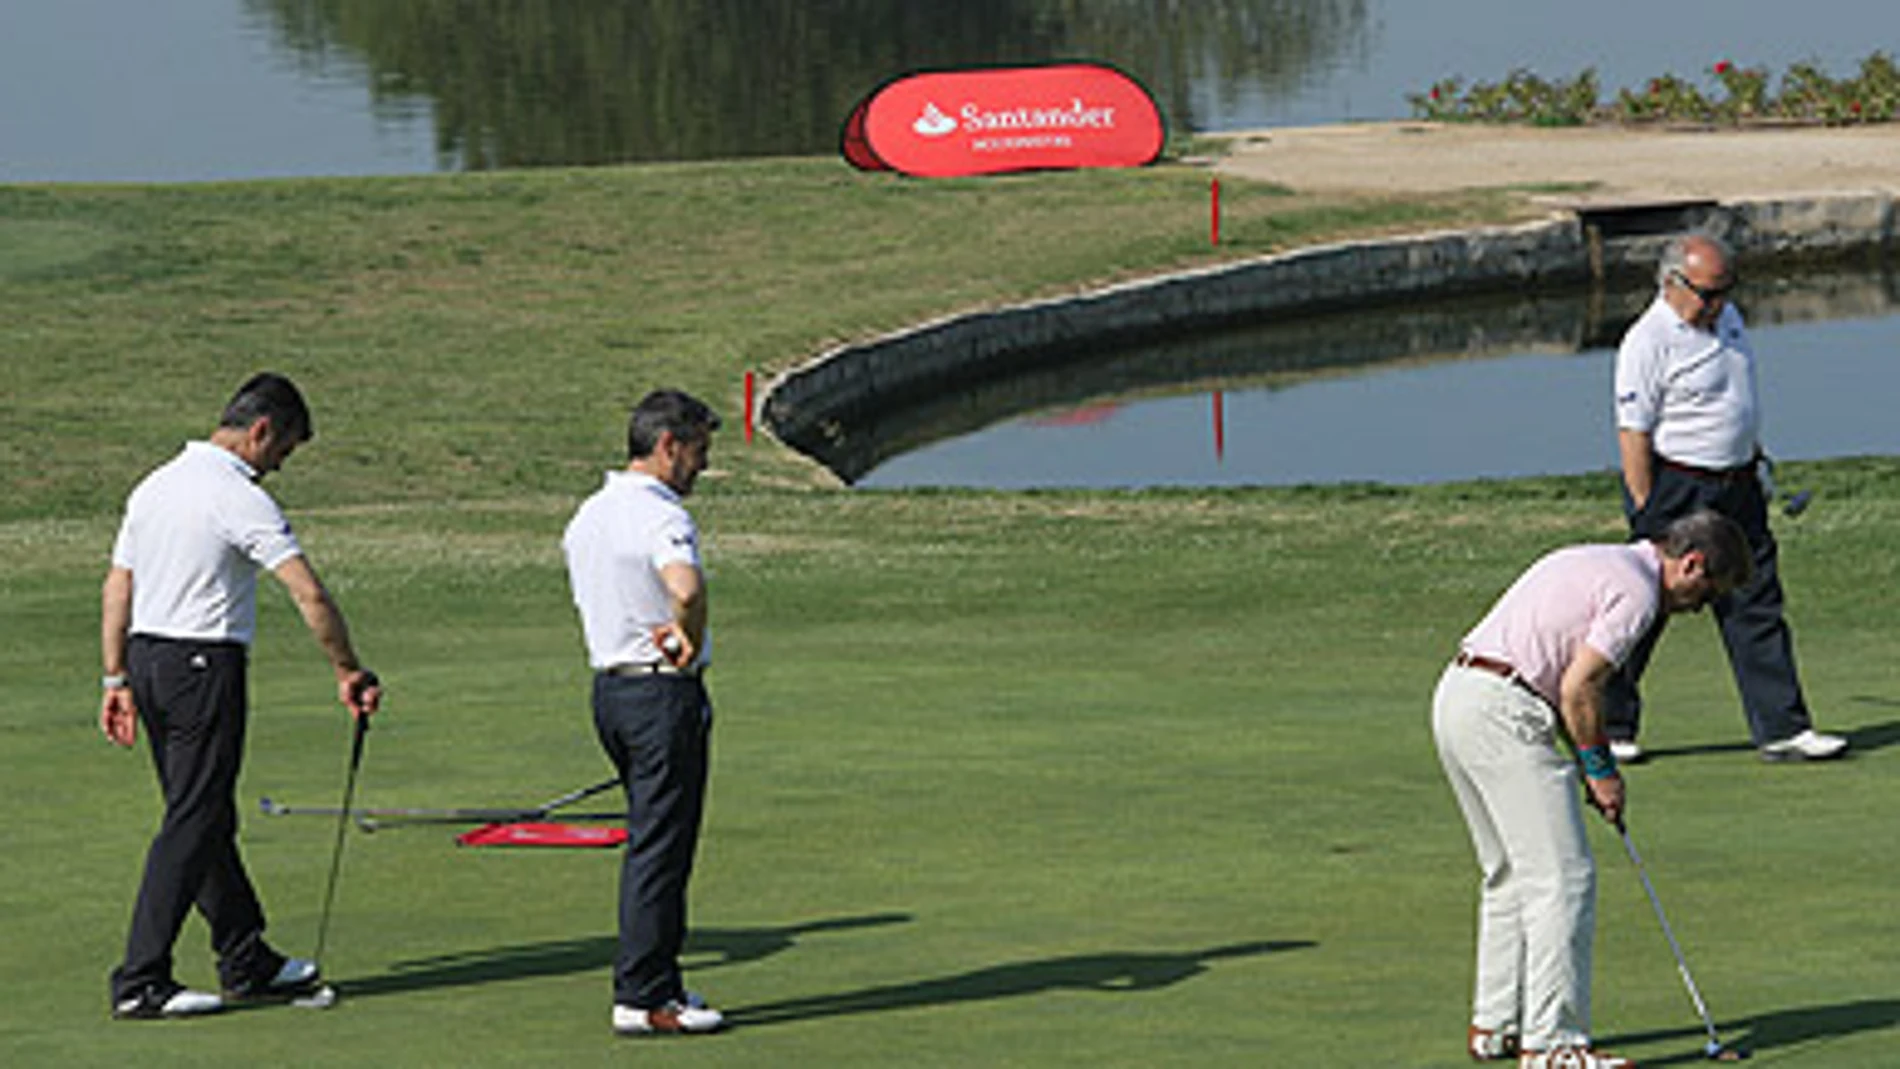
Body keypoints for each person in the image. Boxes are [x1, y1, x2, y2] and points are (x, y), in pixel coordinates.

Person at [101, 372, 382, 1019]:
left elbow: (118, 587)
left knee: (202, 811)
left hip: (147, 658)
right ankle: (141, 978)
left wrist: (115, 678)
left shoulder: (155, 484)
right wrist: (348, 669)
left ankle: (245, 956)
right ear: (260, 430)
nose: (279, 465)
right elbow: (308, 592)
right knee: (193, 818)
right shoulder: (237, 495)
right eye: (282, 450)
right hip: (202, 665)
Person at [1434, 510, 1752, 1069]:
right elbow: (1579, 687)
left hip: (1459, 696)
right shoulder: (1637, 595)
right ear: (1691, 563)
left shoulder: (1598, 558)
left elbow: (1562, 683)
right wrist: (1601, 770)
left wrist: (1587, 762)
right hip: (1504, 712)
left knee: (1510, 872)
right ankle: (1552, 1045)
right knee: (1564, 879)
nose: (1700, 607)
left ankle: (1496, 1025)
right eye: (1706, 592)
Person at [1606, 232, 1847, 763]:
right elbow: (1633, 434)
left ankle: (1783, 729)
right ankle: (1608, 724)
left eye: (1726, 291)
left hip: (1738, 483)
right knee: (1644, 604)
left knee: (1756, 599)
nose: (1718, 304)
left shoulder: (1727, 317)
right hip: (1679, 487)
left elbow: (1732, 398)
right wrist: (1648, 512)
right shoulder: (1648, 341)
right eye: (1707, 294)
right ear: (1672, 282)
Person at [562, 389, 726, 1037]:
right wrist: (687, 630)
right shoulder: (661, 515)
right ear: (667, 445)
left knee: (652, 838)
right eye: (698, 452)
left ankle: (655, 978)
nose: (701, 467)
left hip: (610, 693)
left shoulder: (589, 513)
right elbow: (685, 585)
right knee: (661, 846)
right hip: (662, 695)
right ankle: (646, 994)